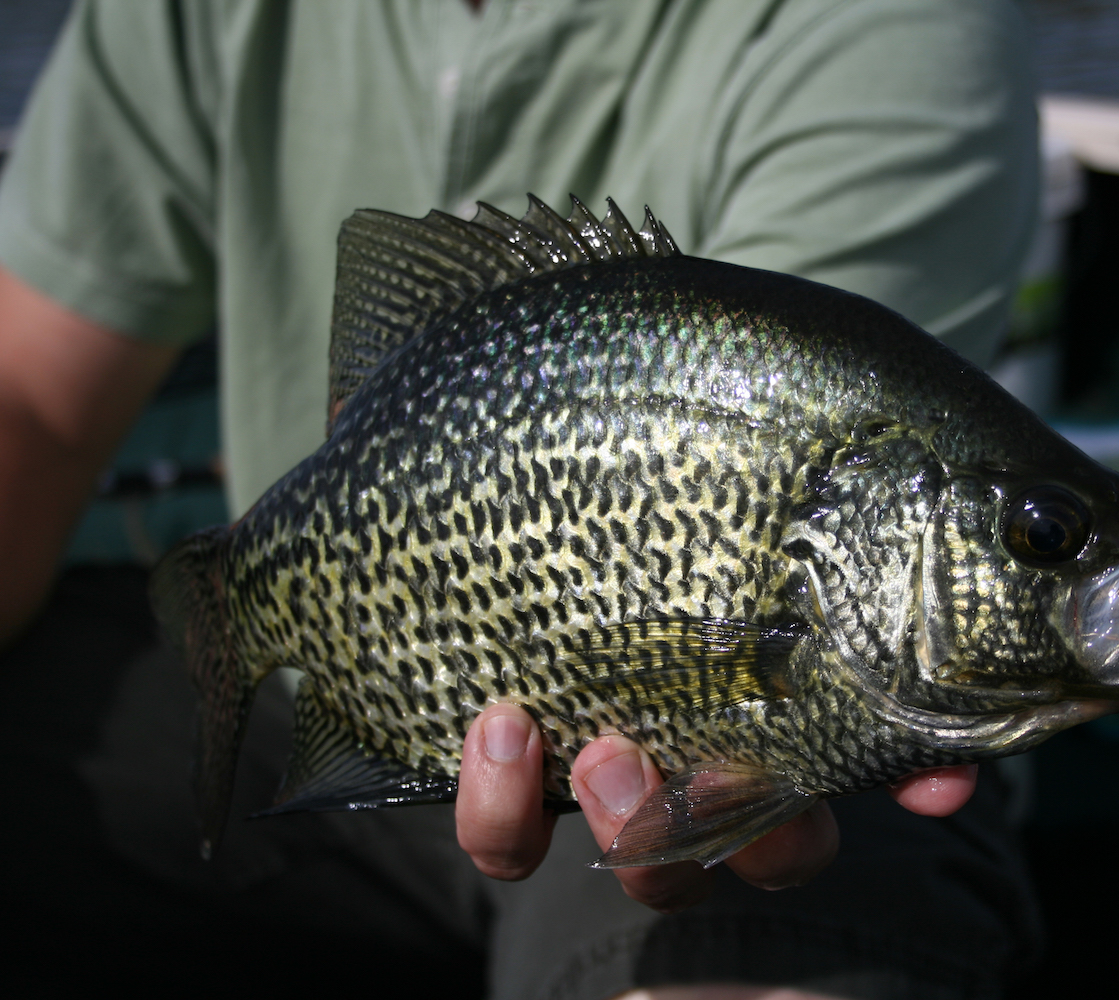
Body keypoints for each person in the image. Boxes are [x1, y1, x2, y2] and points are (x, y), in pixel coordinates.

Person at [0, 1, 1042, 997]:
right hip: (369, 691)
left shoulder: (893, 23)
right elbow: (30, 403)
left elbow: (761, 459)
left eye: (1050, 539)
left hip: (725, 776)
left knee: (765, 928)